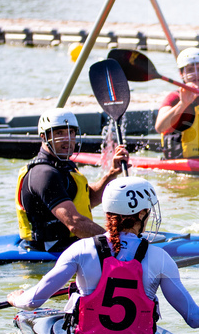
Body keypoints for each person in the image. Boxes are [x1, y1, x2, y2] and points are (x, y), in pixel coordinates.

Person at [8, 177, 199, 334]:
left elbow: (33, 302)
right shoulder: (160, 258)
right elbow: (195, 317)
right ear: (143, 213)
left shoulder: (80, 250)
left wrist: (16, 298)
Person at [16, 108, 128, 252]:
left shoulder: (64, 165)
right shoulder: (44, 174)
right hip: (50, 252)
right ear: (44, 137)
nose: (67, 139)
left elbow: (88, 199)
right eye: (59, 133)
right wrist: (116, 243)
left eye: (71, 132)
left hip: (70, 246)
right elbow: (75, 223)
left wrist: (112, 173)